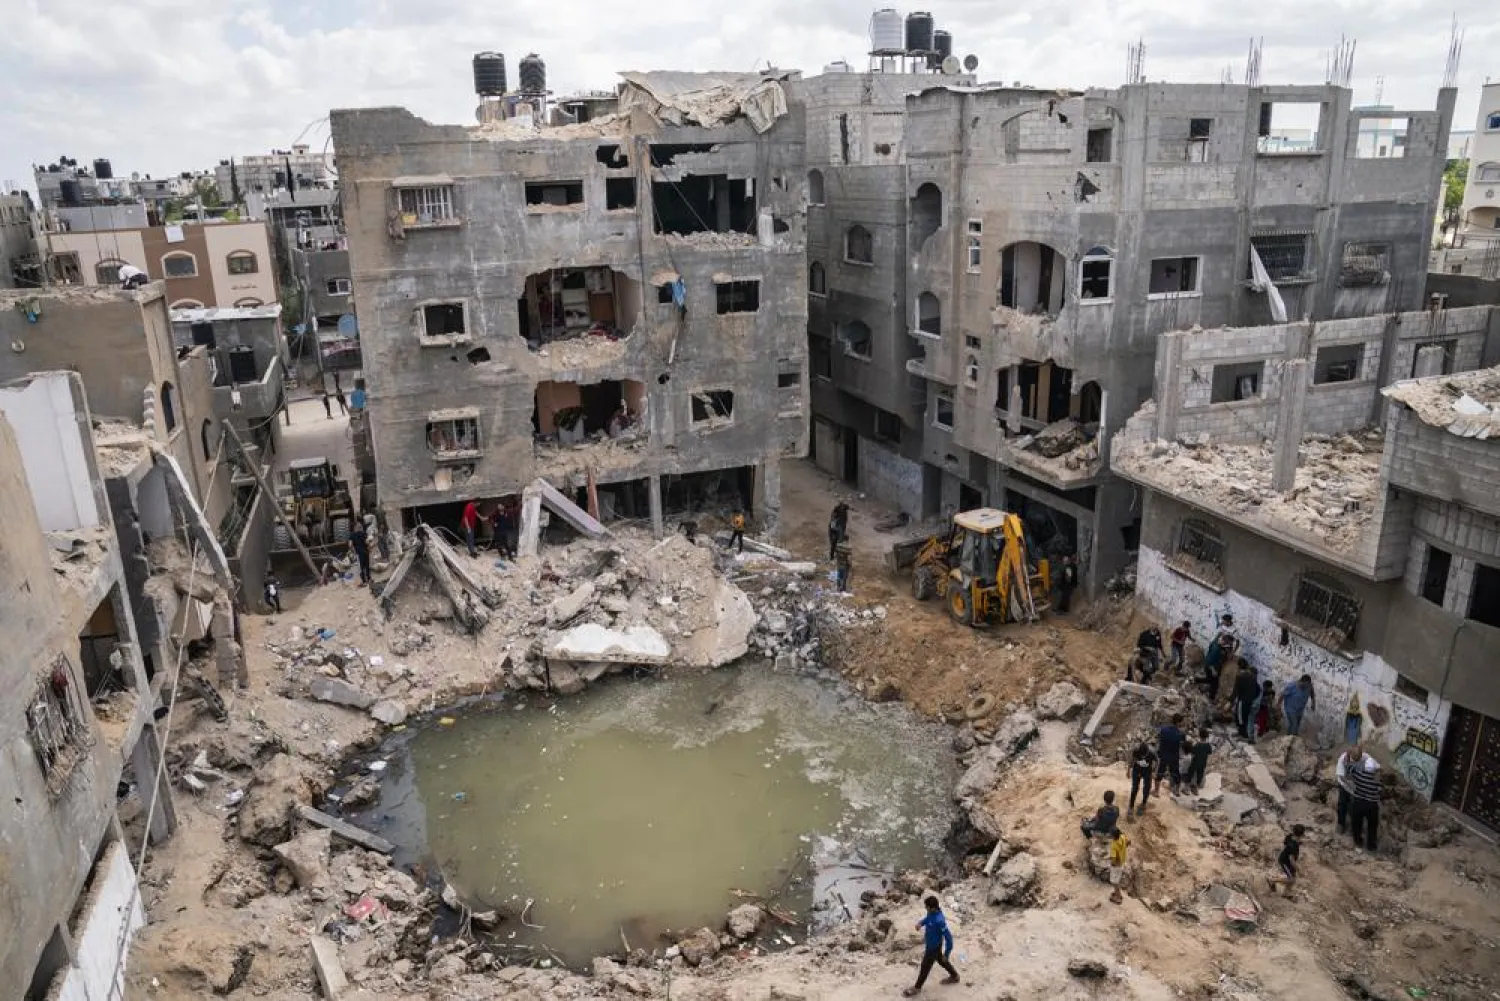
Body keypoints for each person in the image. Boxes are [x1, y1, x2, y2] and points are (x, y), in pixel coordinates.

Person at [903, 895, 959, 995]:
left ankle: (917, 988)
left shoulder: (939, 921)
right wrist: (921, 923)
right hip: (932, 944)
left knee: (925, 967)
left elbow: (949, 938)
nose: (925, 908)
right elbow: (928, 919)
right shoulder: (932, 913)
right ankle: (955, 976)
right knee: (941, 961)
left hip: (933, 947)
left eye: (926, 907)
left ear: (932, 907)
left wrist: (947, 953)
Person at [1335, 743, 1378, 837]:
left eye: (1358, 759)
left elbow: (1376, 768)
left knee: (1353, 808)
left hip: (1357, 789)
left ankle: (1353, 827)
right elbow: (1341, 776)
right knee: (1342, 804)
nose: (1356, 761)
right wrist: (1350, 783)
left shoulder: (1367, 758)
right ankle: (1341, 823)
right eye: (1354, 759)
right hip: (1345, 785)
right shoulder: (1343, 758)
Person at [1346, 745, 1381, 851]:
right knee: (1372, 826)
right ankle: (1371, 845)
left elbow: (1348, 770)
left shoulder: (1356, 772)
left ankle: (1358, 842)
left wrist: (1348, 756)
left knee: (1356, 824)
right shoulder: (1376, 780)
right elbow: (1380, 788)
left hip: (1358, 801)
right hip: (1372, 804)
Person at [1202, 614, 1239, 700]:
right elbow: (1219, 634)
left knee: (1218, 664)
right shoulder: (1223, 626)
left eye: (1224, 621)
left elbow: (1237, 643)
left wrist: (1232, 653)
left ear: (1229, 621)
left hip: (1225, 647)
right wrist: (1214, 641)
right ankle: (1211, 681)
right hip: (1220, 645)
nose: (1222, 622)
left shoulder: (1234, 631)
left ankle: (1213, 679)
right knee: (1213, 663)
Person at [1155, 713, 1185, 795]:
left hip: (1164, 755)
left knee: (1160, 772)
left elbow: (1159, 741)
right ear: (1178, 722)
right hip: (1174, 756)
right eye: (1182, 722)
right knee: (1175, 773)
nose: (1182, 724)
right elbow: (1181, 746)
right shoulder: (1181, 734)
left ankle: (1156, 792)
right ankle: (1177, 791)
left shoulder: (1164, 730)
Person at [1127, 740, 1157, 818]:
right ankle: (1131, 806)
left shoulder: (1152, 752)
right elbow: (1132, 760)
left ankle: (1143, 803)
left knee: (1147, 788)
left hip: (1147, 772)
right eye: (1142, 755)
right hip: (1137, 770)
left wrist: (1154, 771)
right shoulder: (1136, 750)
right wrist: (1128, 770)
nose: (1143, 757)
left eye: (1145, 755)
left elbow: (1157, 761)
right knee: (1134, 788)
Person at [1231, 660, 1260, 739]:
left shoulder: (1240, 676)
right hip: (1250, 701)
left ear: (1239, 667)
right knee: (1246, 717)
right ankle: (1243, 733)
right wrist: (1253, 697)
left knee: (1240, 718)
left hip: (1242, 701)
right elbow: (1258, 689)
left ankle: (1243, 735)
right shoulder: (1253, 677)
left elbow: (1235, 691)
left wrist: (1230, 701)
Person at [1183, 726, 1214, 794]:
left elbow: (1192, 753)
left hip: (1195, 762)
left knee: (1190, 774)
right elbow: (1209, 752)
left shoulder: (1197, 745)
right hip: (1203, 762)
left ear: (1200, 735)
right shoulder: (1208, 745)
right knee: (1200, 775)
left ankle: (1186, 789)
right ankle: (1196, 789)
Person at [1108, 828, 1129, 904]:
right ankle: (1117, 892)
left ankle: (1118, 897)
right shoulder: (1122, 836)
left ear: (1114, 836)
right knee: (1117, 880)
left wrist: (1111, 863)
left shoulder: (1114, 845)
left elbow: (1113, 859)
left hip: (1116, 865)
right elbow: (1128, 842)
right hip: (1122, 862)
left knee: (1114, 882)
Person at [349, 518, 372, 586]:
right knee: (367, 566)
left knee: (361, 568)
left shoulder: (352, 535)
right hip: (365, 552)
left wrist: (353, 551)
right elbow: (367, 542)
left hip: (359, 553)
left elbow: (350, 544)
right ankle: (369, 579)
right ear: (357, 526)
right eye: (360, 526)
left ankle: (364, 581)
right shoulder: (363, 533)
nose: (360, 526)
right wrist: (370, 548)